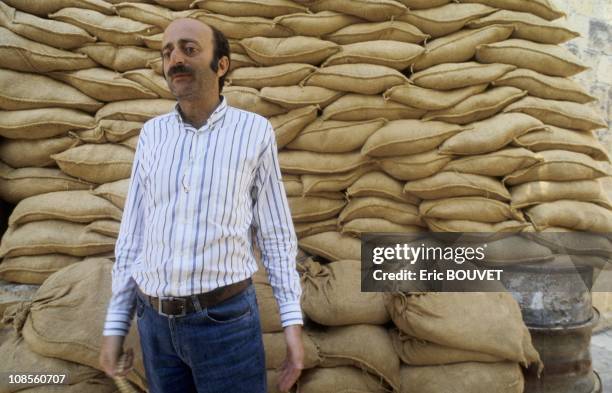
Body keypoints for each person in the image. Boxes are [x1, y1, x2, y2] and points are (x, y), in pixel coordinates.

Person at [98, 18, 304, 393]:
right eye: (167, 52)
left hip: (225, 324)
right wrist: (117, 322)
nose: (175, 59)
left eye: (189, 49)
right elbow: (133, 235)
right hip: (154, 325)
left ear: (221, 65)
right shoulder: (152, 135)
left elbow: (275, 233)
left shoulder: (254, 131)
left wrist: (291, 323)